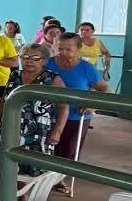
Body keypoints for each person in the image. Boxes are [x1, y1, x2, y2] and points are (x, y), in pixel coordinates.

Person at [0, 43, 67, 176]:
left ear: (44, 61)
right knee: (8, 167)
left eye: (35, 58)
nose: (29, 61)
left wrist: (57, 131)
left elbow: (64, 106)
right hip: (11, 128)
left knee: (35, 169)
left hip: (39, 132)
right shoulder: (15, 75)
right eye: (25, 57)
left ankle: (29, 190)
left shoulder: (53, 79)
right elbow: (4, 100)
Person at [46, 32, 110, 170]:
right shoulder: (48, 64)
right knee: (46, 150)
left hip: (76, 116)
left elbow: (105, 89)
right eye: (60, 48)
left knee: (68, 152)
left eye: (68, 49)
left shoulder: (86, 68)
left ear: (78, 48)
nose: (63, 52)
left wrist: (93, 105)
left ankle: (61, 178)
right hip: (48, 115)